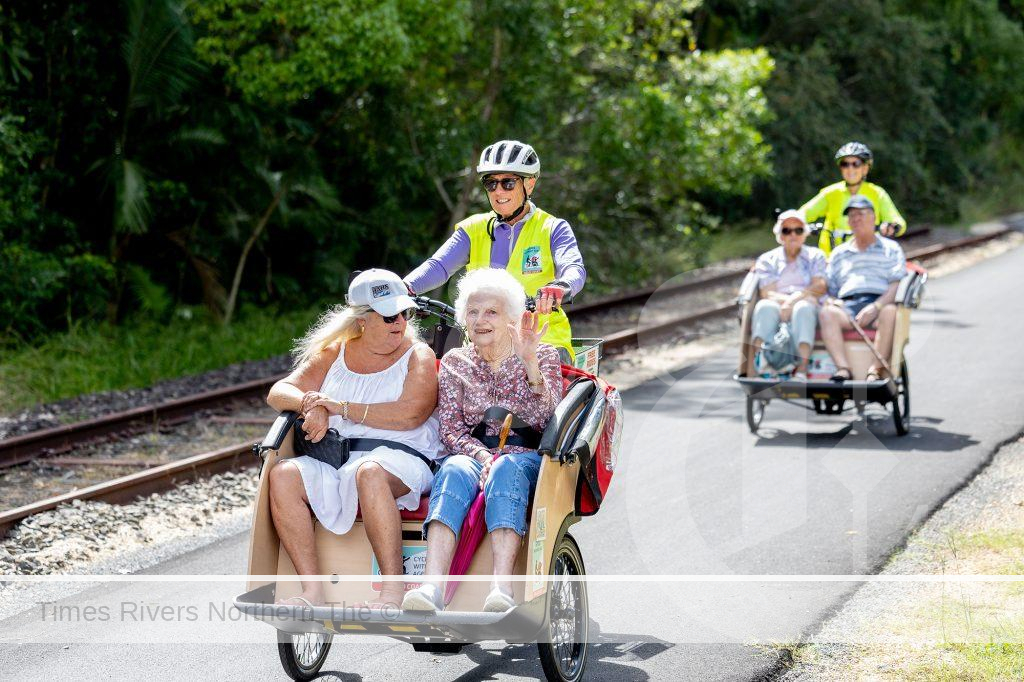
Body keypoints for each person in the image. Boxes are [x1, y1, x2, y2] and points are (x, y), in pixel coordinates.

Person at [266, 269, 444, 609]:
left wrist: (340, 408)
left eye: (405, 313)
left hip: (404, 456)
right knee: (283, 475)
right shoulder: (336, 352)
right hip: (341, 458)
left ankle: (393, 590)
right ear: (362, 321)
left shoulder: (417, 354)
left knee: (370, 472)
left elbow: (413, 413)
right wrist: (310, 403)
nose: (400, 323)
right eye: (390, 315)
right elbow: (279, 391)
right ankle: (313, 591)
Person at [401, 268, 563, 614]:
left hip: (527, 457)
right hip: (472, 454)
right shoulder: (456, 362)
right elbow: (450, 431)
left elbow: (548, 419)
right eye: (472, 312)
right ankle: (430, 587)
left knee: (506, 466)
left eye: (491, 311)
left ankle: (501, 589)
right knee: (455, 467)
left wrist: (529, 361)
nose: (479, 320)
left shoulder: (543, 354)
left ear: (512, 318)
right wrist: (480, 455)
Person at [404, 139, 586, 361]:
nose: (498, 190)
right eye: (491, 183)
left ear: (529, 184)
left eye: (508, 182)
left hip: (541, 342)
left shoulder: (552, 228)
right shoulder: (472, 229)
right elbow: (439, 266)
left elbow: (573, 268)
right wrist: (405, 287)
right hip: (483, 341)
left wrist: (561, 286)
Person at [819, 195, 907, 382]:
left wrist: (876, 306)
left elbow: (896, 284)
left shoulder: (891, 249)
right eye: (851, 216)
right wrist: (832, 301)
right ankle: (843, 369)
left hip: (879, 302)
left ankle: (875, 370)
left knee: (890, 312)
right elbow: (830, 288)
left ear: (874, 218)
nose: (856, 219)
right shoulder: (839, 253)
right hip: (848, 305)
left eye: (861, 214)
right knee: (827, 313)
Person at [751, 209, 827, 380]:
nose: (793, 235)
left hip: (805, 301)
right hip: (777, 302)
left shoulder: (815, 255)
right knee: (764, 307)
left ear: (804, 233)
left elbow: (819, 286)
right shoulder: (767, 259)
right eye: (787, 230)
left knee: (803, 308)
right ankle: (762, 364)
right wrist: (786, 303)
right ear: (780, 234)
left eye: (798, 230)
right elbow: (767, 292)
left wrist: (793, 301)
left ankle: (801, 368)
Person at [800, 141, 906, 255]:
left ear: (865, 168)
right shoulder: (830, 193)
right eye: (845, 164)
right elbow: (803, 214)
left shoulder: (877, 193)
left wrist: (892, 227)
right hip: (832, 258)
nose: (850, 169)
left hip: (869, 255)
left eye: (856, 164)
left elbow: (896, 219)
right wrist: (794, 223)